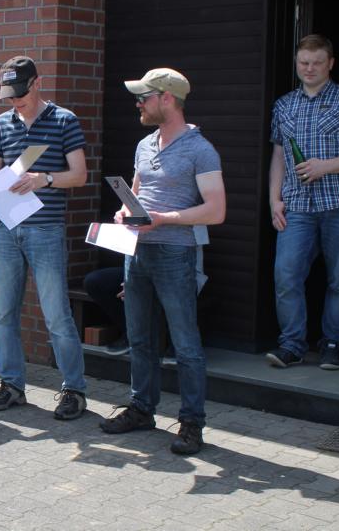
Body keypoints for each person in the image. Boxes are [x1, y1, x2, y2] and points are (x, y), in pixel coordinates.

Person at [99, 68, 225, 456]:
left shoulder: (201, 150)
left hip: (175, 254)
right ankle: (142, 409)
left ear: (167, 98)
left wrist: (163, 219)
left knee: (185, 344)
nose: (138, 103)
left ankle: (192, 423)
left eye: (144, 97)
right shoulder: (144, 145)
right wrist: (125, 213)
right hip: (138, 254)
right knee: (139, 338)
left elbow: (216, 210)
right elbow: (135, 197)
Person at [0, 56, 89, 420]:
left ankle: (74, 390)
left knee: (56, 315)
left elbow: (79, 175)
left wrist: (45, 179)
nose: (15, 101)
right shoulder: (1, 123)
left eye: (20, 94)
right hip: (6, 227)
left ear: (37, 83)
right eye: (9, 96)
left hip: (45, 229)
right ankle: (12, 386)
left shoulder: (64, 120)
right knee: (4, 315)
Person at [267, 34, 339, 371]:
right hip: (297, 204)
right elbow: (279, 156)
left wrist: (324, 167)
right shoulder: (284, 105)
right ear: (297, 63)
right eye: (304, 62)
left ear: (330, 63)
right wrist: (274, 199)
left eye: (317, 62)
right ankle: (292, 345)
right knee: (286, 275)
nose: (310, 68)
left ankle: (333, 345)